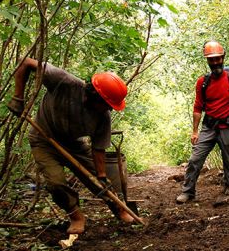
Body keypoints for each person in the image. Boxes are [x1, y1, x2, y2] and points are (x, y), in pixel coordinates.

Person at [7, 58, 135, 234]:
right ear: (95, 95)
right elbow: (26, 62)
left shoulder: (103, 117)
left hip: (72, 144)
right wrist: (17, 97)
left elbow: (98, 148)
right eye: (107, 104)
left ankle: (120, 210)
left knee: (99, 180)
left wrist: (102, 176)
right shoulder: (64, 82)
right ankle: (76, 216)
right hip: (43, 139)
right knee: (56, 182)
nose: (110, 109)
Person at [176, 40, 229, 203]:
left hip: (228, 126)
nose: (215, 62)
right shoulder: (202, 82)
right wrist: (195, 131)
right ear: (207, 60)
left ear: (223, 57)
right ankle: (188, 191)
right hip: (209, 127)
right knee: (195, 159)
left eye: (217, 58)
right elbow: (198, 107)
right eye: (211, 59)